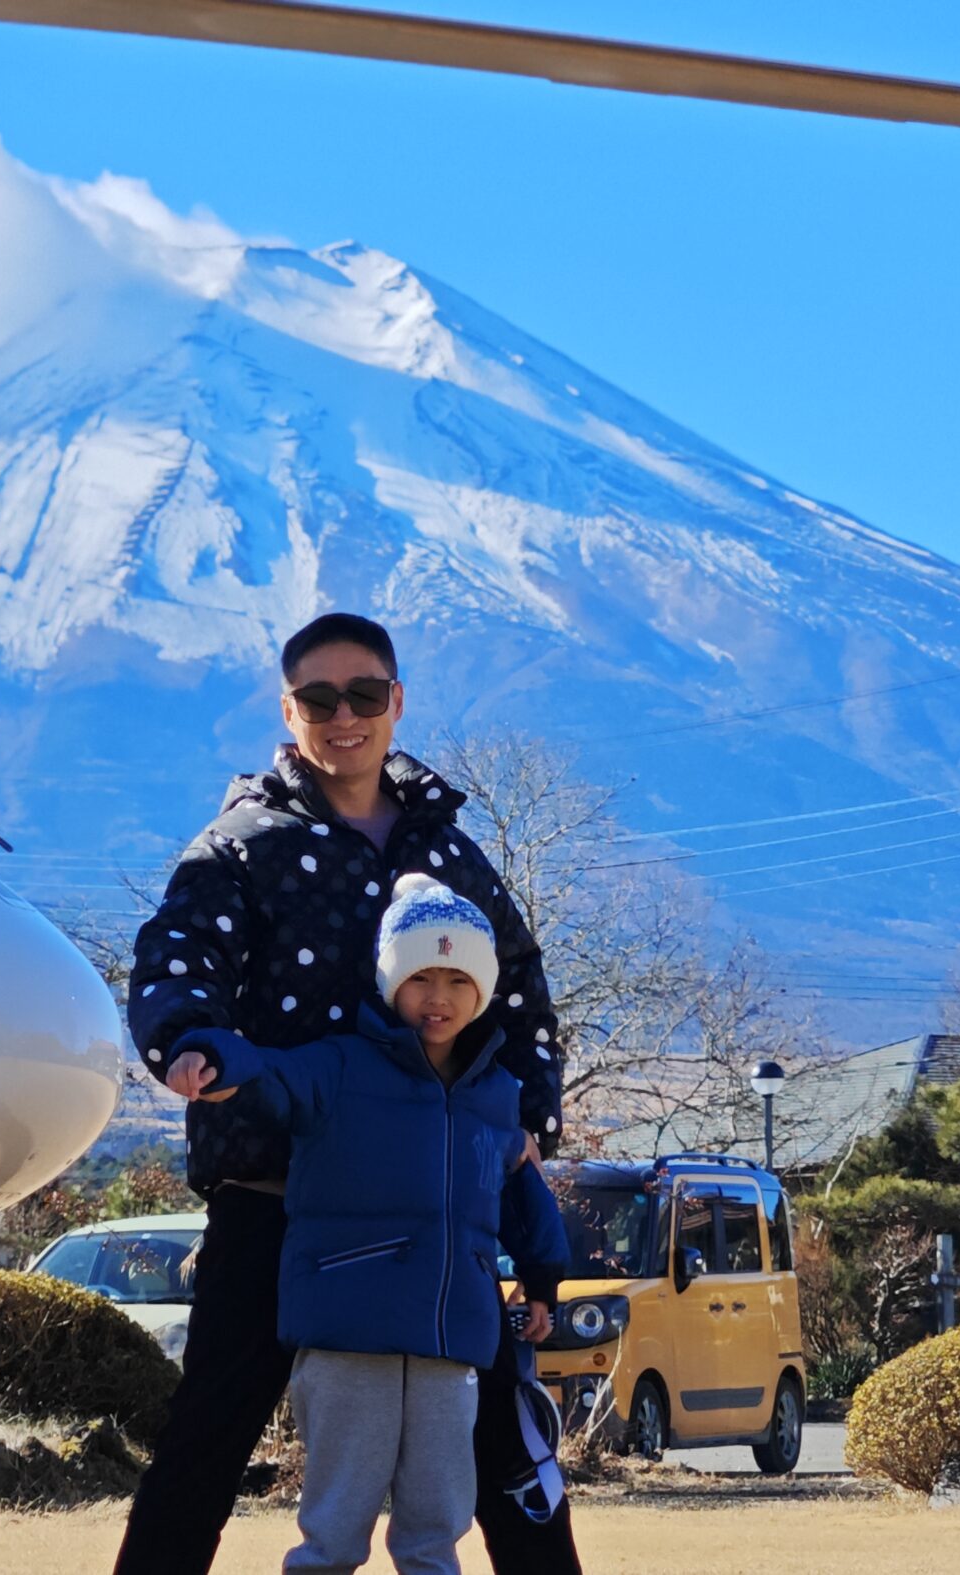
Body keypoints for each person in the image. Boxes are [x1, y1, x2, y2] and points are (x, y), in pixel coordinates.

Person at [114, 611, 578, 1575]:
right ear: (290, 712)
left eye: (364, 694)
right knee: (205, 1442)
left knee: (504, 1454)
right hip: (275, 1200)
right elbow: (178, 952)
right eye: (319, 699)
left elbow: (522, 984)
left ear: (396, 702)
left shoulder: (452, 854)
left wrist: (525, 1114)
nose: (344, 716)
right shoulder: (242, 844)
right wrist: (187, 1040)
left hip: (436, 1213)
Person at [161, 874, 570, 1574]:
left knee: (435, 1532)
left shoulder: (497, 1095)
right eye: (419, 977)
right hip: (351, 1341)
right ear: (389, 981)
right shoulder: (340, 1066)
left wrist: (541, 1280)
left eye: (455, 978)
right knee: (334, 1531)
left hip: (450, 1348)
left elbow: (518, 1193)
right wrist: (214, 1055)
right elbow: (269, 1074)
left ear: (482, 988)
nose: (436, 997)